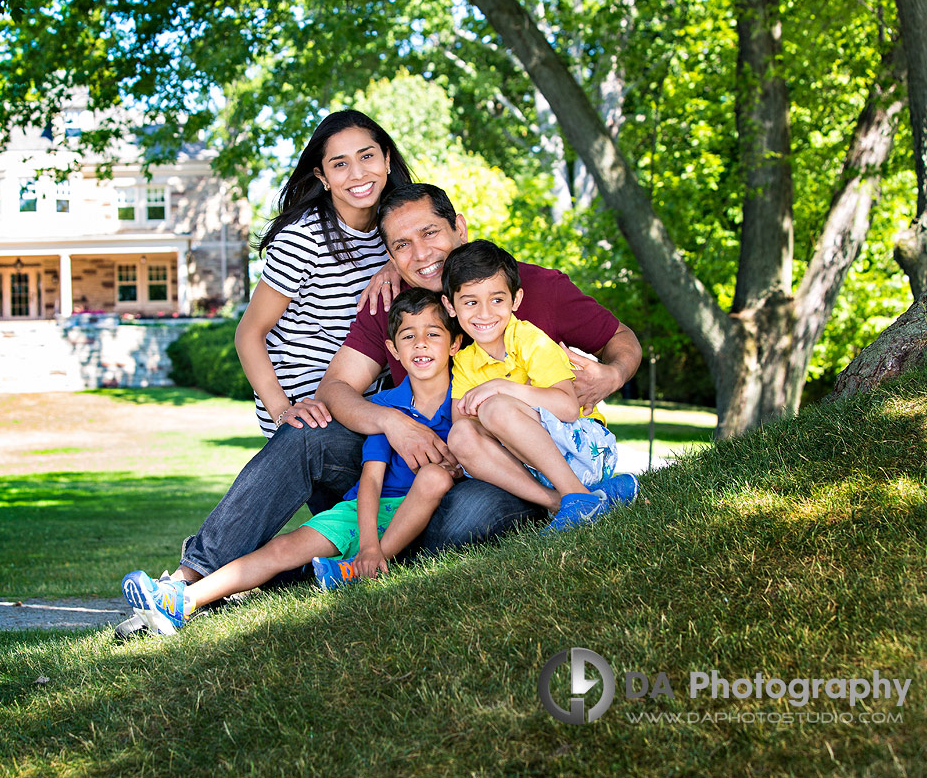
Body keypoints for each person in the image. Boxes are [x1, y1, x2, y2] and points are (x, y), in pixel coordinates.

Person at [114, 183, 641, 641]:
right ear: (389, 254)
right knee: (307, 435)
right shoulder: (394, 304)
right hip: (418, 456)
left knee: (464, 518)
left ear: (459, 227)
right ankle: (190, 580)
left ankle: (334, 570)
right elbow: (338, 389)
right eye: (401, 245)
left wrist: (611, 375)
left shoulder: (525, 288)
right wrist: (392, 421)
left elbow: (622, 341)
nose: (420, 254)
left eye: (431, 234)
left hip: (508, 463)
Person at [121, 288, 461, 634]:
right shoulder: (386, 407)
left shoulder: (462, 401)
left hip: (418, 511)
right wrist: (369, 541)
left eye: (433, 334)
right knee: (283, 548)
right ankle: (182, 601)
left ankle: (362, 567)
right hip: (365, 512)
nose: (420, 344)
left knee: (435, 477)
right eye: (408, 336)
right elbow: (371, 480)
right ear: (393, 350)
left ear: (454, 344)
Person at [235, 109, 413, 438]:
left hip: (369, 397)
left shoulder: (397, 230)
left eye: (367, 156)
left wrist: (395, 261)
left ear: (387, 159)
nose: (358, 173)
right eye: (340, 164)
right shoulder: (303, 238)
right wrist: (282, 410)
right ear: (323, 176)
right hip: (307, 405)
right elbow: (249, 333)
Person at [441, 240, 638, 531]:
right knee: (459, 436)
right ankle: (564, 502)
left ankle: (576, 494)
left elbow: (569, 408)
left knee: (495, 409)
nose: (484, 313)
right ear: (450, 305)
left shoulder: (531, 340)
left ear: (515, 300)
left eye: (497, 300)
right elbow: (464, 423)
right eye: (470, 302)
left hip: (587, 449)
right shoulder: (466, 359)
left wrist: (501, 387)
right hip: (533, 463)